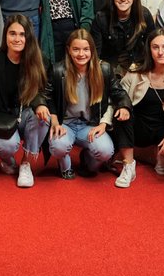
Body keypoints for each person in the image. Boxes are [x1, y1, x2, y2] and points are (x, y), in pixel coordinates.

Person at [0, 14, 51, 188]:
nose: (17, 39)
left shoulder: (39, 60)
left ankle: (26, 164)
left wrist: (41, 105)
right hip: (2, 117)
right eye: (12, 33)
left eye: (22, 34)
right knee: (7, 146)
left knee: (44, 118)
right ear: (5, 36)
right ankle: (8, 162)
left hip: (27, 115)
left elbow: (42, 92)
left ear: (28, 37)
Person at [113, 29, 164, 188]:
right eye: (155, 47)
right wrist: (122, 108)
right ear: (149, 49)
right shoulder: (136, 71)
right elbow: (119, 97)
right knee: (122, 112)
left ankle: (160, 155)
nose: (160, 52)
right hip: (139, 127)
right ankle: (129, 165)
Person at [45, 29, 127, 180]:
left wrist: (120, 110)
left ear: (92, 50)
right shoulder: (58, 70)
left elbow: (119, 94)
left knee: (105, 151)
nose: (81, 54)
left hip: (90, 125)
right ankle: (65, 166)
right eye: (76, 49)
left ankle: (87, 162)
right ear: (68, 50)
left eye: (85, 49)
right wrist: (55, 122)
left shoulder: (104, 69)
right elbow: (47, 97)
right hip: (66, 124)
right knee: (58, 147)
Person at [92, 0, 154, 75]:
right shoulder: (101, 19)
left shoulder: (144, 15)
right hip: (109, 71)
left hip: (138, 68)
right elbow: (95, 56)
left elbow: (152, 47)